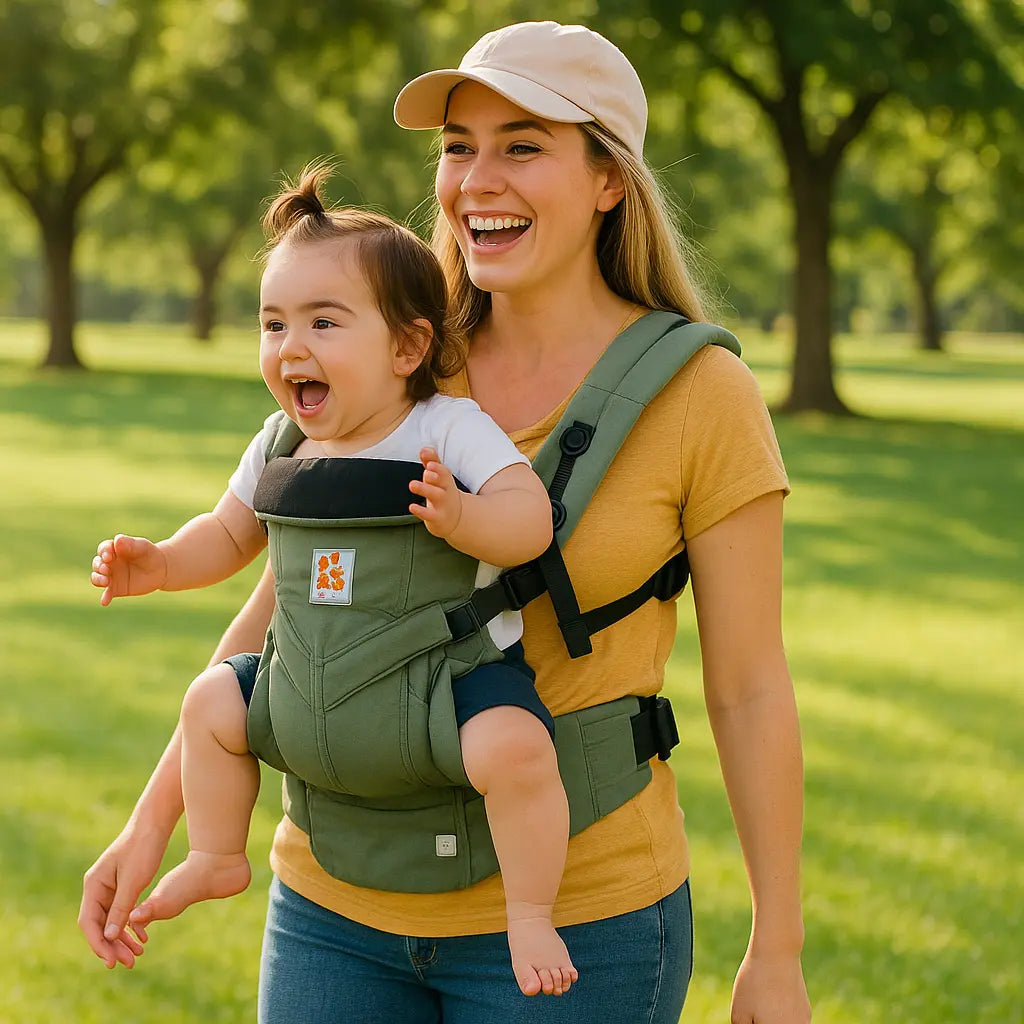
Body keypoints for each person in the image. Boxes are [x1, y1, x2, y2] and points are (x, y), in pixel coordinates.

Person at [80, 20, 811, 1024]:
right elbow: (275, 619)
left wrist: (776, 946)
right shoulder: (389, 359)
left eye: (522, 144)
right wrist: (149, 824)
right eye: (458, 147)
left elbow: (749, 687)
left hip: (579, 925)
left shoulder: (699, 394)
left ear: (609, 181)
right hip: (331, 909)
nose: (476, 179)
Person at [89, 168, 578, 996]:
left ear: (406, 347)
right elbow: (229, 534)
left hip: (439, 690)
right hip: (308, 692)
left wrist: (464, 519)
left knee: (518, 746)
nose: (291, 347)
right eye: (273, 323)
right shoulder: (282, 443)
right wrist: (164, 564)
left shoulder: (445, 427)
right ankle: (215, 855)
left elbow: (530, 520)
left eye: (323, 321)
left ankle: (529, 912)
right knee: (210, 700)